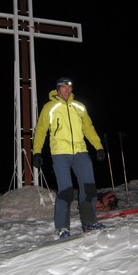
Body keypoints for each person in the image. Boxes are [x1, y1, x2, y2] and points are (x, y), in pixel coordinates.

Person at [32, 77, 106, 239]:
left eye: (69, 87)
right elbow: (40, 130)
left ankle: (89, 222)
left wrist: (98, 147)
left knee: (89, 189)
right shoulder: (50, 107)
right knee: (65, 191)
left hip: (80, 152)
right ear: (58, 90)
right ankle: (62, 227)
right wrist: (36, 152)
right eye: (64, 87)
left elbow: (88, 128)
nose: (67, 90)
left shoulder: (79, 107)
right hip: (60, 154)